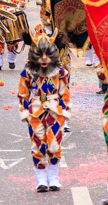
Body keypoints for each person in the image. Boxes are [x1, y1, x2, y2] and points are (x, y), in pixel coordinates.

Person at [16, 30, 70, 192]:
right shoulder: (28, 72)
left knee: (54, 145)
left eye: (48, 55)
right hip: (35, 110)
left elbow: (64, 91)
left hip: (55, 110)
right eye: (40, 55)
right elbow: (22, 92)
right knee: (38, 145)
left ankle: (53, 177)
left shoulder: (60, 72)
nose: (44, 59)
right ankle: (40, 179)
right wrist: (24, 110)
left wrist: (65, 110)